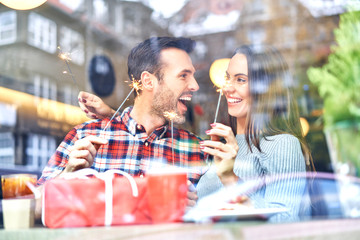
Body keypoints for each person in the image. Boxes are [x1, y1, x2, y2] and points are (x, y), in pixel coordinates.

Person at [37, 37, 207, 208]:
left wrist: (196, 208)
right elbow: (32, 206)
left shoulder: (198, 150)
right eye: (183, 76)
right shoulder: (85, 136)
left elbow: (219, 218)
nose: (195, 85)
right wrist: (67, 175)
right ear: (148, 81)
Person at [195, 44, 315, 222]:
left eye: (241, 80)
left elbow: (284, 222)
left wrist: (231, 179)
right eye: (228, 78)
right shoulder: (227, 147)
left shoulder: (282, 144)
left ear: (266, 89)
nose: (227, 88)